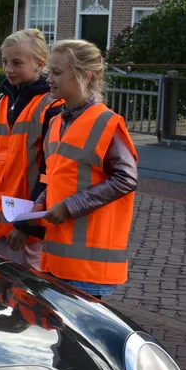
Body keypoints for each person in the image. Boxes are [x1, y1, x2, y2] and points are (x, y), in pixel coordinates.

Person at [32, 39, 138, 300]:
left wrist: (70, 206)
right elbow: (58, 176)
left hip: (88, 270)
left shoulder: (106, 122)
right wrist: (42, 202)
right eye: (49, 73)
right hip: (59, 262)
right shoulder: (58, 122)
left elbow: (126, 178)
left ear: (84, 76)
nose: (49, 79)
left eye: (57, 72)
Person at [0, 29, 61, 270]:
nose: (8, 69)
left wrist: (27, 225)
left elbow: (51, 172)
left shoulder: (52, 107)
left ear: (40, 63)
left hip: (26, 234)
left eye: (17, 63)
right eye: (5, 62)